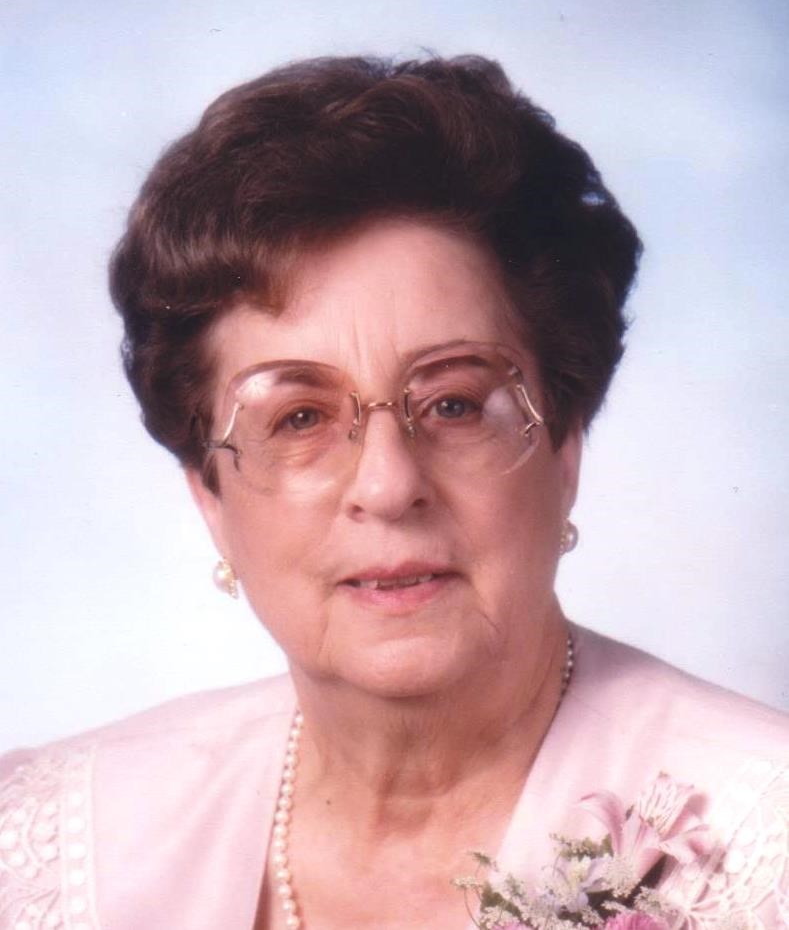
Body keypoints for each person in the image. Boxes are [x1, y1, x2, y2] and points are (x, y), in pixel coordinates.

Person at [0, 55, 786, 930]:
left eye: (454, 404)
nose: (387, 485)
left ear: (564, 447)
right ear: (210, 498)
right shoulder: (49, 853)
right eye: (299, 417)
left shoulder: (767, 847)